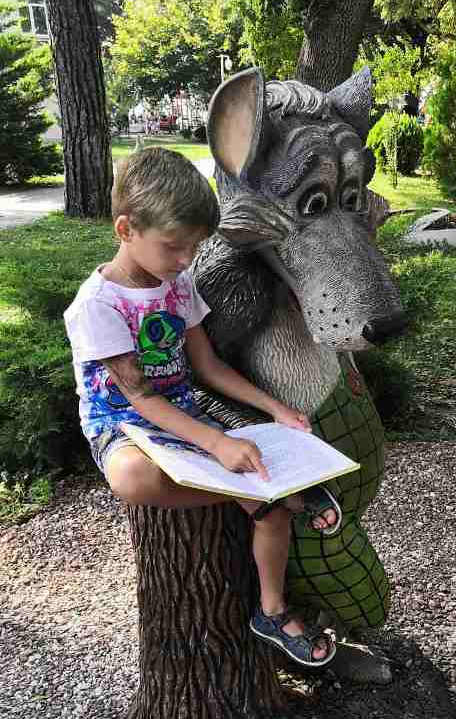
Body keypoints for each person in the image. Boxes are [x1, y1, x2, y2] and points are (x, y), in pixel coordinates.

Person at [63, 148, 340, 668]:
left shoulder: (178, 285)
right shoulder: (97, 305)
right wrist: (214, 442)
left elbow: (207, 366)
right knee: (133, 478)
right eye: (174, 247)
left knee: (265, 485)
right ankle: (275, 494)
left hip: (184, 412)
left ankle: (272, 610)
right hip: (122, 426)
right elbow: (139, 397)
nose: (186, 260)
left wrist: (275, 408)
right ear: (125, 229)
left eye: (194, 247)